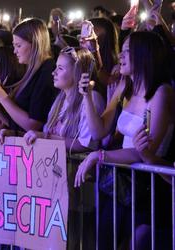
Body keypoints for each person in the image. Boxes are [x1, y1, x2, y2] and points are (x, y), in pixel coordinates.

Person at [74, 31, 174, 250]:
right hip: (122, 184)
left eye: (128, 51)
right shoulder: (125, 85)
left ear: (145, 54)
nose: (121, 55)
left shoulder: (162, 93)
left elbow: (144, 151)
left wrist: (99, 155)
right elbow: (99, 131)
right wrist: (87, 97)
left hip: (150, 188)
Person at [0, 18, 58, 141]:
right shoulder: (32, 71)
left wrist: (1, 96)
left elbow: (33, 125)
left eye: (19, 45)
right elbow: (14, 122)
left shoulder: (47, 71)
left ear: (35, 43)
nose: (15, 51)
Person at [23, 47, 105, 152]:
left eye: (60, 68)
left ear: (77, 72)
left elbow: (86, 145)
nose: (54, 72)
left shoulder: (91, 98)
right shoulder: (60, 99)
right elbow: (42, 135)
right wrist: (13, 134)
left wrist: (45, 137)